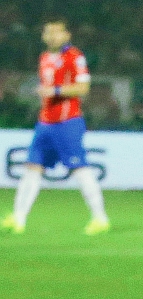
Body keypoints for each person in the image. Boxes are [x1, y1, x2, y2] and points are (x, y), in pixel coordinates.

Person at [2, 18, 109, 236]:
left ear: (66, 35)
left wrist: (56, 91)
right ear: (43, 36)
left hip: (67, 122)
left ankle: (100, 218)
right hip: (45, 123)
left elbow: (83, 87)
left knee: (80, 169)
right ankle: (18, 219)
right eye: (48, 32)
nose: (52, 36)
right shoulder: (44, 58)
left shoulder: (74, 56)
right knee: (32, 168)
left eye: (56, 32)